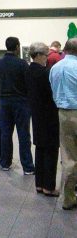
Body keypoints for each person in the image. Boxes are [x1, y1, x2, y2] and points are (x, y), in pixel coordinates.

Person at [0, 36, 35, 174]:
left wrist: (3, 92)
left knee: (5, 133)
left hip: (4, 102)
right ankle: (27, 167)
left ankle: (5, 163)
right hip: (21, 103)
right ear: (17, 47)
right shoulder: (22, 64)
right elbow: (29, 84)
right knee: (23, 135)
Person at [26, 42, 59, 197]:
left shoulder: (29, 71)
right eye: (46, 55)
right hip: (49, 115)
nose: (47, 58)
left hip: (36, 115)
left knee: (39, 149)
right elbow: (53, 94)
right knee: (51, 151)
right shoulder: (45, 73)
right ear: (38, 55)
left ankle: (39, 184)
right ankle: (49, 187)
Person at [49, 38, 77, 210]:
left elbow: (53, 89)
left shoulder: (55, 68)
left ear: (65, 50)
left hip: (63, 114)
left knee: (68, 158)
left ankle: (67, 198)